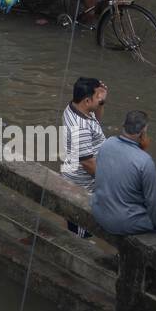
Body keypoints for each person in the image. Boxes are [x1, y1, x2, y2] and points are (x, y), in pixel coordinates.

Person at [90, 110, 156, 236]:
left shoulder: (107, 144)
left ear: (123, 126)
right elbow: (154, 200)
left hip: (99, 211)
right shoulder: (144, 161)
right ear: (142, 132)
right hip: (123, 222)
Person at [60, 77, 108, 238]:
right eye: (97, 98)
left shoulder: (77, 106)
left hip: (89, 181)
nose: (99, 100)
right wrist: (110, 183)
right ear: (87, 101)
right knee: (81, 236)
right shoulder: (79, 128)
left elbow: (97, 121)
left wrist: (100, 102)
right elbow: (88, 164)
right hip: (82, 188)